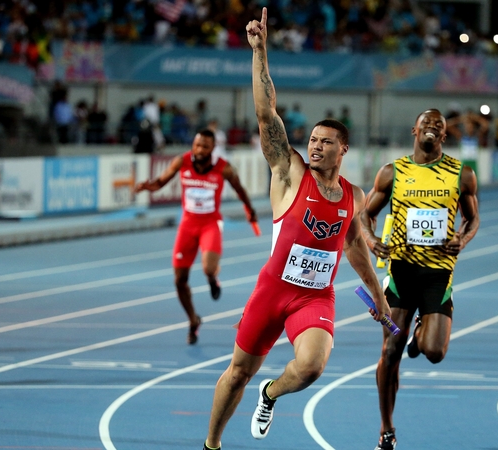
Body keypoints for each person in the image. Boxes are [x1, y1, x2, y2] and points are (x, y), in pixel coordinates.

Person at [201, 9, 390, 450]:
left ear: (343, 149)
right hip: (274, 289)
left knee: (310, 367)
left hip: (314, 296)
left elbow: (355, 246)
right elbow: (266, 114)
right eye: (313, 140)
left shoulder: (353, 196)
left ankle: (271, 394)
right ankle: (211, 444)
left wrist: (378, 297)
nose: (315, 146)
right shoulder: (290, 173)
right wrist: (259, 52)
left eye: (326, 142)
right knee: (237, 373)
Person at [361, 108, 480, 450]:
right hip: (400, 273)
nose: (431, 127)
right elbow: (365, 215)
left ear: (444, 136)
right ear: (414, 129)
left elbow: (472, 219)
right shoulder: (392, 172)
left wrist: (462, 238)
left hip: (437, 275)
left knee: (434, 352)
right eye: (426, 122)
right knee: (390, 350)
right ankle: (386, 430)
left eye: (438, 126)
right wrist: (372, 243)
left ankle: (420, 333)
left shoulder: (462, 174)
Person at [134, 129, 258, 345]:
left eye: (205, 146)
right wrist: (148, 186)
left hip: (210, 224)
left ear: (212, 149)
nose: (199, 150)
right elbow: (160, 183)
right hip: (187, 226)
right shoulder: (181, 162)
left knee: (208, 268)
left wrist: (250, 210)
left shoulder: (224, 168)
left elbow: (240, 190)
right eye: (197, 145)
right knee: (179, 280)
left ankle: (212, 279)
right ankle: (193, 320)